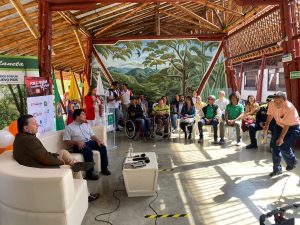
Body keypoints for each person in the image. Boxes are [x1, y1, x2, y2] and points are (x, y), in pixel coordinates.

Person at [13, 115, 99, 202]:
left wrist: (55, 155)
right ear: (26, 128)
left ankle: (75, 163)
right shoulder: (28, 140)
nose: (37, 125)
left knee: (63, 152)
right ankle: (86, 195)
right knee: (73, 169)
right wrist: (60, 161)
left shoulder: (23, 137)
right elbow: (44, 158)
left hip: (40, 162)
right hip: (41, 168)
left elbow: (41, 154)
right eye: (34, 124)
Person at [63, 109, 110, 180]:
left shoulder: (86, 125)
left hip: (89, 142)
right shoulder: (69, 127)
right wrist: (77, 142)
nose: (85, 116)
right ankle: (90, 174)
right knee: (88, 151)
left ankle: (104, 168)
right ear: (77, 116)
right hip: (78, 144)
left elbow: (92, 135)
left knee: (102, 147)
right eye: (83, 114)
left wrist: (98, 140)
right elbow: (66, 141)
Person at [263, 91, 300, 177]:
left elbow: (286, 125)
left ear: (285, 100)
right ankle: (277, 169)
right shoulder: (272, 103)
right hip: (279, 126)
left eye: (280, 101)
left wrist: (281, 138)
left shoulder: (289, 107)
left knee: (283, 146)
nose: (277, 103)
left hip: (293, 127)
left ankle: (292, 161)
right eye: (276, 101)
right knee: (275, 146)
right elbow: (270, 114)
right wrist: (266, 125)